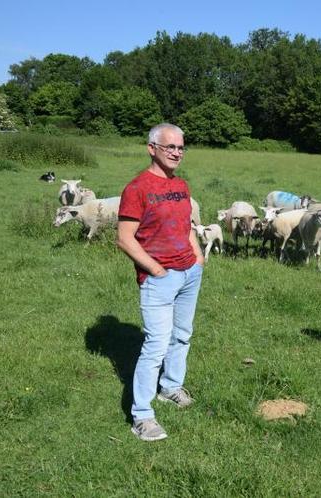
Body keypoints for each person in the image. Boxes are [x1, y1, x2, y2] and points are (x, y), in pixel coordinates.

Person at [117, 123, 205, 441]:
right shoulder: (137, 188)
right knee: (155, 345)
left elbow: (187, 226)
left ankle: (170, 388)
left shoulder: (181, 185)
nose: (177, 152)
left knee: (181, 336)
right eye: (170, 147)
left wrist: (197, 257)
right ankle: (142, 416)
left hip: (189, 273)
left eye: (181, 147)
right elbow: (125, 239)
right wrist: (155, 269)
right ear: (151, 148)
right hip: (160, 278)